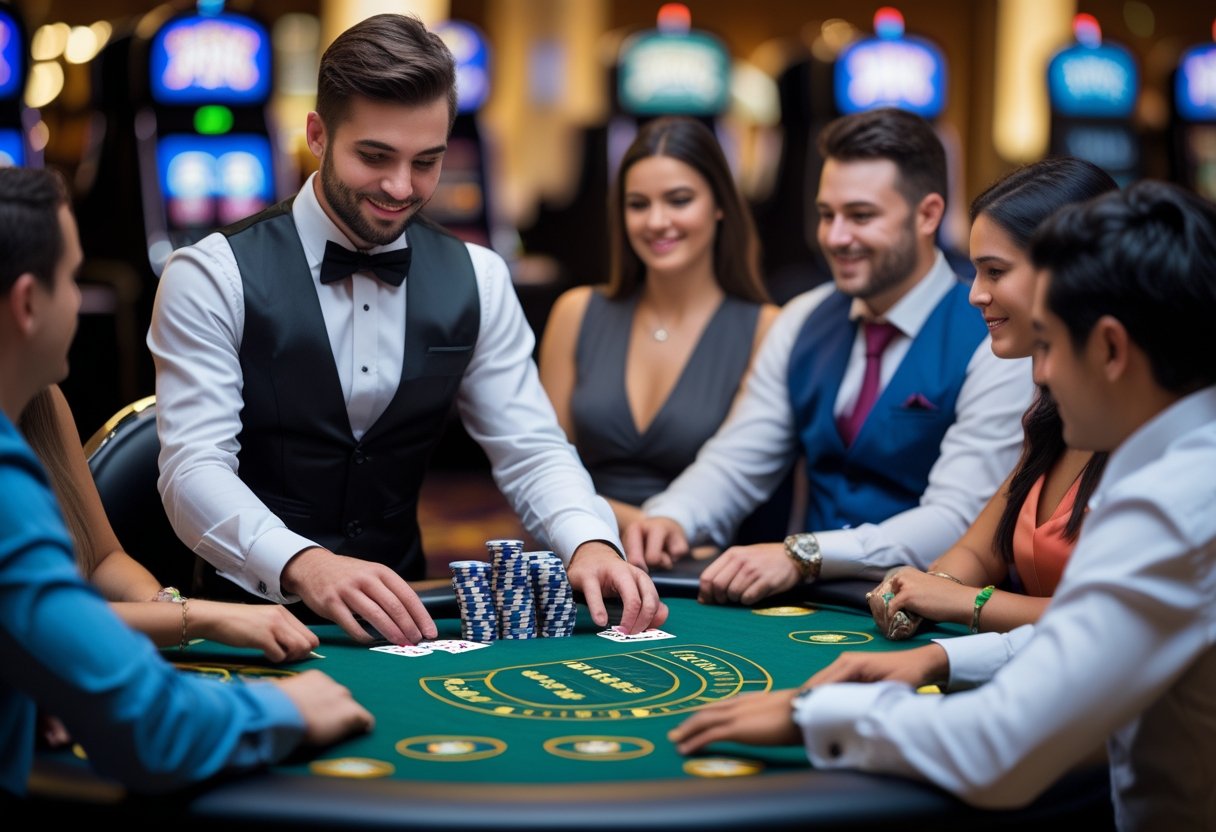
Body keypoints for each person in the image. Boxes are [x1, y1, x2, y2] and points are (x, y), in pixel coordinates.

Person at [668, 180, 1216, 831]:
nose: (1039, 375)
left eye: (1048, 344)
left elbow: (999, 746)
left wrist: (811, 715)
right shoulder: (1178, 465)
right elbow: (1093, 639)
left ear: (1111, 348)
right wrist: (943, 658)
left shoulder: (1169, 504)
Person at [147, 13, 666, 645]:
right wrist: (305, 563)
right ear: (317, 135)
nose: (400, 187)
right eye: (374, 156)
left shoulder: (478, 276)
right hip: (246, 623)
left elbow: (530, 447)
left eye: (426, 162)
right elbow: (192, 470)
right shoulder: (210, 275)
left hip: (409, 619)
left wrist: (589, 540)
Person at [0, 165, 372, 800]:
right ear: (29, 303)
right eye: (72, 278)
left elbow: (53, 612)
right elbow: (155, 727)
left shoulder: (34, 407)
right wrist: (288, 708)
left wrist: (53, 673)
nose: (79, 300)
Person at [624, 107, 1034, 605]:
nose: (836, 237)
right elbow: (736, 459)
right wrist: (673, 516)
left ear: (928, 215)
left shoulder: (993, 337)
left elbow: (957, 519)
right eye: (826, 215)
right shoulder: (802, 318)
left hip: (927, 612)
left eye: (860, 216)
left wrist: (805, 554)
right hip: (809, 605)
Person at [867, 158, 1117, 640]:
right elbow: (978, 552)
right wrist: (930, 587)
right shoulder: (1052, 415)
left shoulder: (1149, 428)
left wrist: (963, 601)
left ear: (1072, 274)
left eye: (995, 271)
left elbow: (1116, 621)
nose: (975, 294)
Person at [538, 116, 779, 536]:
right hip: (583, 544)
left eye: (679, 200)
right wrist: (643, 526)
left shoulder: (767, 328)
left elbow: (748, 481)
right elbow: (543, 471)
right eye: (638, 204)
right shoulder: (575, 312)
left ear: (720, 204)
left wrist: (665, 527)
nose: (656, 221)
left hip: (703, 559)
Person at [18, 384, 320, 662]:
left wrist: (161, 604)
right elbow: (35, 618)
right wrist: (198, 618)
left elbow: (102, 560)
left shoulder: (43, 396)